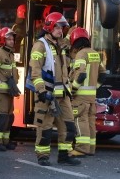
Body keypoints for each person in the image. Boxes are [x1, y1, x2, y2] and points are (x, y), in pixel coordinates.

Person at [28, 11, 80, 167]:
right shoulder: (40, 45)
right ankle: (42, 156)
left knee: (68, 125)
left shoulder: (61, 45)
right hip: (48, 94)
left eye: (62, 27)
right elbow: (35, 71)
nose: (60, 30)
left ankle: (64, 155)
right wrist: (41, 91)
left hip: (63, 93)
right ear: (49, 27)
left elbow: (67, 66)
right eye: (57, 27)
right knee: (45, 127)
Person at [67, 27, 103, 157]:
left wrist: (72, 90)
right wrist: (95, 87)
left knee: (80, 120)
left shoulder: (81, 54)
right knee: (90, 121)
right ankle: (91, 148)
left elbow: (80, 75)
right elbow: (103, 74)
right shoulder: (95, 53)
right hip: (91, 96)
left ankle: (81, 149)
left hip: (80, 96)